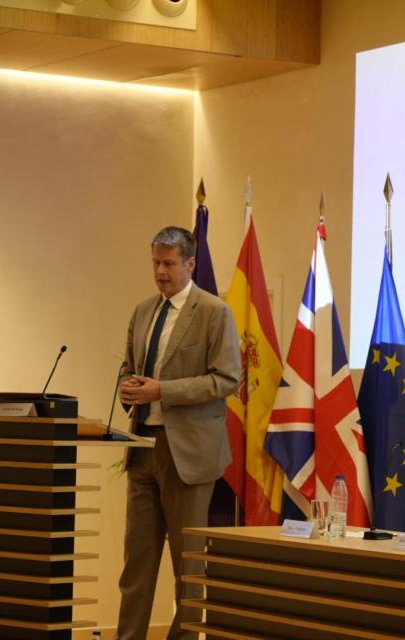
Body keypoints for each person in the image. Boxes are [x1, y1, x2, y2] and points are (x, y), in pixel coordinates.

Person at [115, 226, 240, 640]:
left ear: (190, 263)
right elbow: (130, 365)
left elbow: (225, 379)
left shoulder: (213, 312)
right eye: (156, 263)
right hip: (142, 449)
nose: (161, 272)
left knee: (188, 567)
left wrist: (162, 391)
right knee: (136, 564)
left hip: (188, 454)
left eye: (169, 263)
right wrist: (128, 388)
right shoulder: (143, 310)